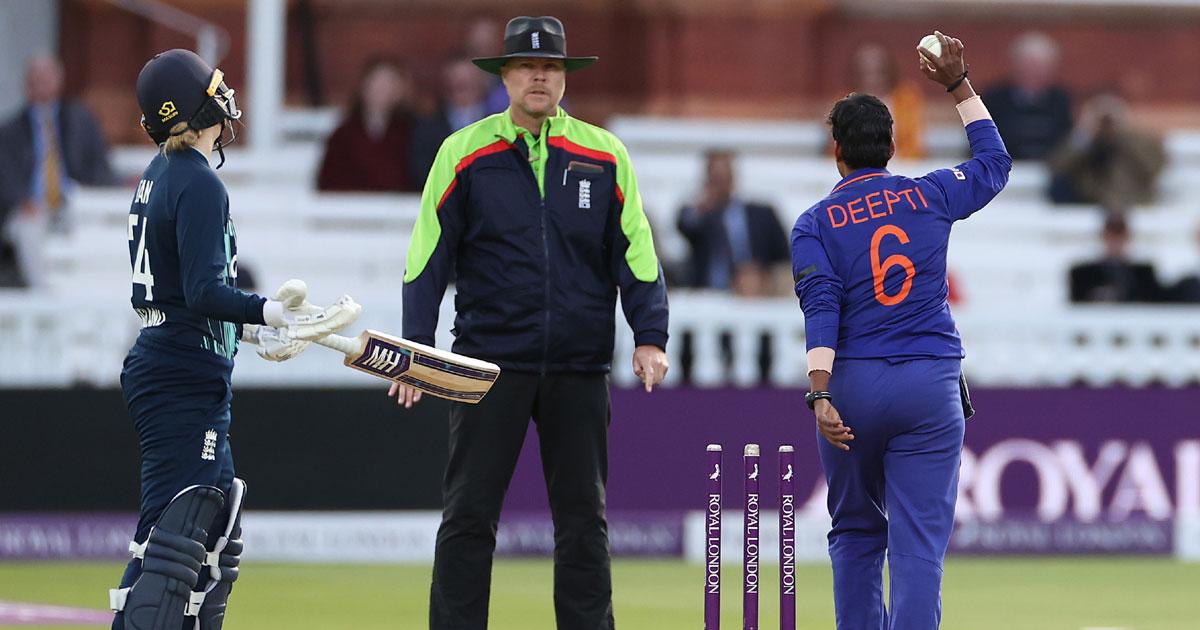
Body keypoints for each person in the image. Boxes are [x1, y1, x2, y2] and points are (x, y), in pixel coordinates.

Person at [393, 16, 669, 629]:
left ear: (565, 76)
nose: (538, 77)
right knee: (468, 516)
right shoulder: (463, 152)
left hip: (578, 363)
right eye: (526, 66)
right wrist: (416, 348)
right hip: (486, 364)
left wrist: (650, 335)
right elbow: (427, 254)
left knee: (583, 522)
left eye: (550, 67)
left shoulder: (605, 153)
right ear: (505, 77)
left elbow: (636, 249)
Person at [109, 49, 359, 630]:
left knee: (216, 541)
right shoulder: (196, 181)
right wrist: (268, 310)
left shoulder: (160, 175)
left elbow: (177, 295)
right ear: (195, 107)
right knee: (171, 542)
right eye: (213, 89)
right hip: (181, 375)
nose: (224, 97)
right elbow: (202, 292)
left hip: (182, 365)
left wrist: (250, 328)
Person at [791, 32, 1011, 629]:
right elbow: (995, 164)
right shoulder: (929, 194)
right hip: (928, 386)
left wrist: (819, 391)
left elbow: (821, 305)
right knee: (918, 545)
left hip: (853, 387)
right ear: (892, 146)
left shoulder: (814, 224)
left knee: (856, 531)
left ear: (836, 149)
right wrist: (959, 85)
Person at [0, 56, 116, 287]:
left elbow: (100, 166)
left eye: (46, 78)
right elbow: (6, 177)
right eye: (36, 79)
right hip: (31, 208)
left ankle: (93, 293)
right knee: (29, 230)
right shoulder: (10, 131)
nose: (41, 85)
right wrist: (21, 201)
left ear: (58, 82)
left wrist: (87, 193)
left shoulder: (81, 121)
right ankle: (44, 297)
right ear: (26, 85)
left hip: (73, 203)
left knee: (96, 228)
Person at [676, 149, 790, 292]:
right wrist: (703, 206)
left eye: (724, 176)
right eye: (715, 178)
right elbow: (684, 225)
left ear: (733, 176)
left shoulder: (763, 215)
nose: (720, 183)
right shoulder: (700, 215)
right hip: (708, 294)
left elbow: (783, 258)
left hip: (755, 293)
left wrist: (762, 276)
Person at [316, 57, 419, 192]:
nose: (382, 90)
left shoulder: (412, 132)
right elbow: (328, 183)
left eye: (389, 83)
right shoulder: (342, 136)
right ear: (363, 86)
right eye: (376, 82)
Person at [1048, 91, 1166, 207]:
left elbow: (1154, 166)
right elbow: (1057, 167)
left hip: (1133, 203)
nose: (1105, 125)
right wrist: (1086, 135)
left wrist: (1122, 135)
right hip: (1090, 203)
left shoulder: (1140, 141)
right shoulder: (1083, 141)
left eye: (1109, 120)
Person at [983, 31, 1073, 160]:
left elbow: (1066, 140)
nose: (1035, 72)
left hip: (1050, 167)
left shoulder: (1061, 100)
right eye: (1030, 65)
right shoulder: (994, 99)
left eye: (1042, 66)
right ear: (1015, 65)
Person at [411, 56, 493, 190]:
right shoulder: (429, 126)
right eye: (457, 81)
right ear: (446, 85)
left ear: (482, 82)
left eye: (468, 81)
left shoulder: (500, 125)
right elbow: (422, 170)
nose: (462, 86)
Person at [848, 43, 926, 159]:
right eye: (867, 73)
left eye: (879, 72)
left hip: (901, 164)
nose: (873, 79)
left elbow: (914, 140)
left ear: (889, 72)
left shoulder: (907, 99)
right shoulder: (846, 102)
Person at [1069, 213, 1164, 303]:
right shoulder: (1083, 275)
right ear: (1103, 236)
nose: (1115, 240)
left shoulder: (1144, 275)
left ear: (1127, 237)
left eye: (1119, 234)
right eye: (1111, 234)